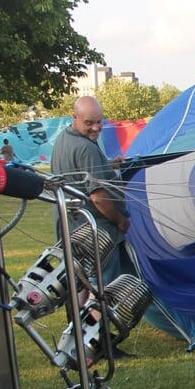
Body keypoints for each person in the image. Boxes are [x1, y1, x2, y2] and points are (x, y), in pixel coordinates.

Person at [50, 96, 131, 284]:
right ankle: (98, 315)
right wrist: (120, 220)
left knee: (83, 283)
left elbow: (79, 171)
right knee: (103, 290)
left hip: (72, 230)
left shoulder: (64, 138)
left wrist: (108, 164)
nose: (95, 128)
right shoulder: (86, 148)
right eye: (89, 123)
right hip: (97, 235)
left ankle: (79, 315)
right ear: (75, 117)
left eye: (99, 121)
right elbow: (98, 198)